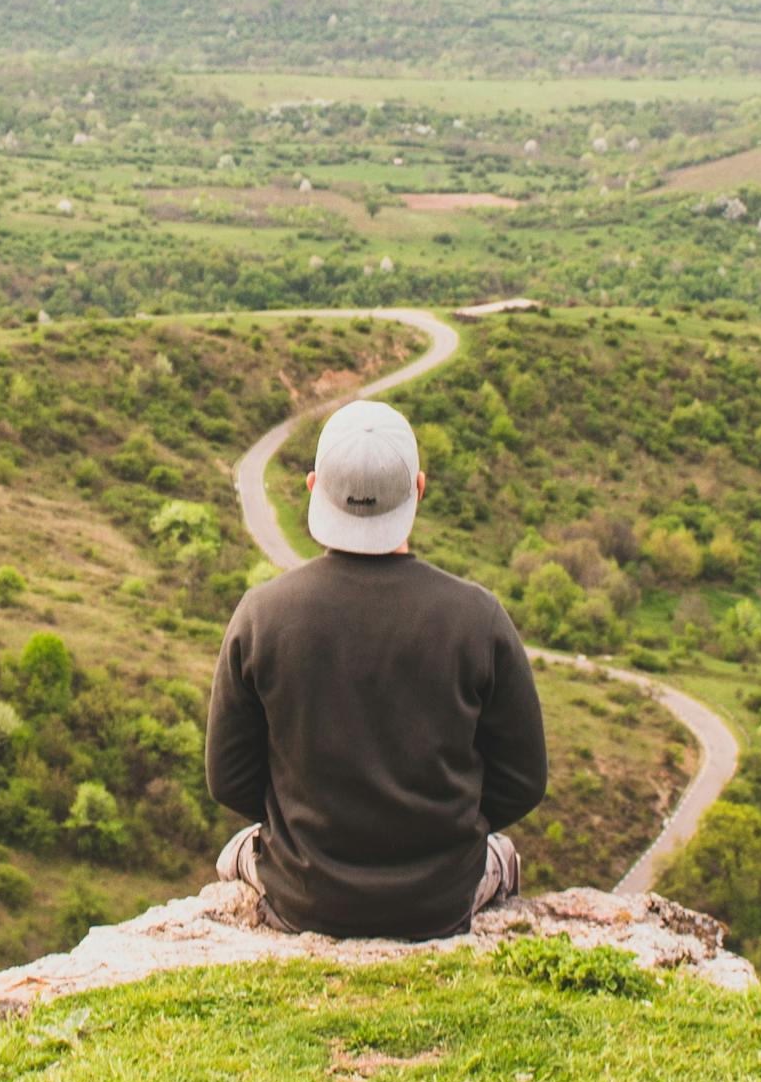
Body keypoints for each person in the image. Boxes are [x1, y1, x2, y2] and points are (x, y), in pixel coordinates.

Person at [203, 397, 549, 938]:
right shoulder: (477, 617)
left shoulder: (262, 615)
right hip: (439, 899)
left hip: (306, 894)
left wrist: (306, 827)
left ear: (314, 488)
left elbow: (229, 779)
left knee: (235, 853)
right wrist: (446, 827)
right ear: (419, 489)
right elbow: (524, 780)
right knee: (501, 854)